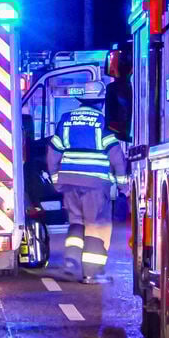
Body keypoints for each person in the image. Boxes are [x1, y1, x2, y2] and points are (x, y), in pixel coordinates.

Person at [46, 80, 127, 284]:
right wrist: (123, 185)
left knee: (76, 221)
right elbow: (116, 156)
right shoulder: (102, 122)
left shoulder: (66, 120)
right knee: (95, 225)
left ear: (81, 99)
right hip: (95, 185)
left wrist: (56, 180)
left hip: (69, 183)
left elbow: (53, 152)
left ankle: (71, 262)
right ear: (101, 102)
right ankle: (91, 273)